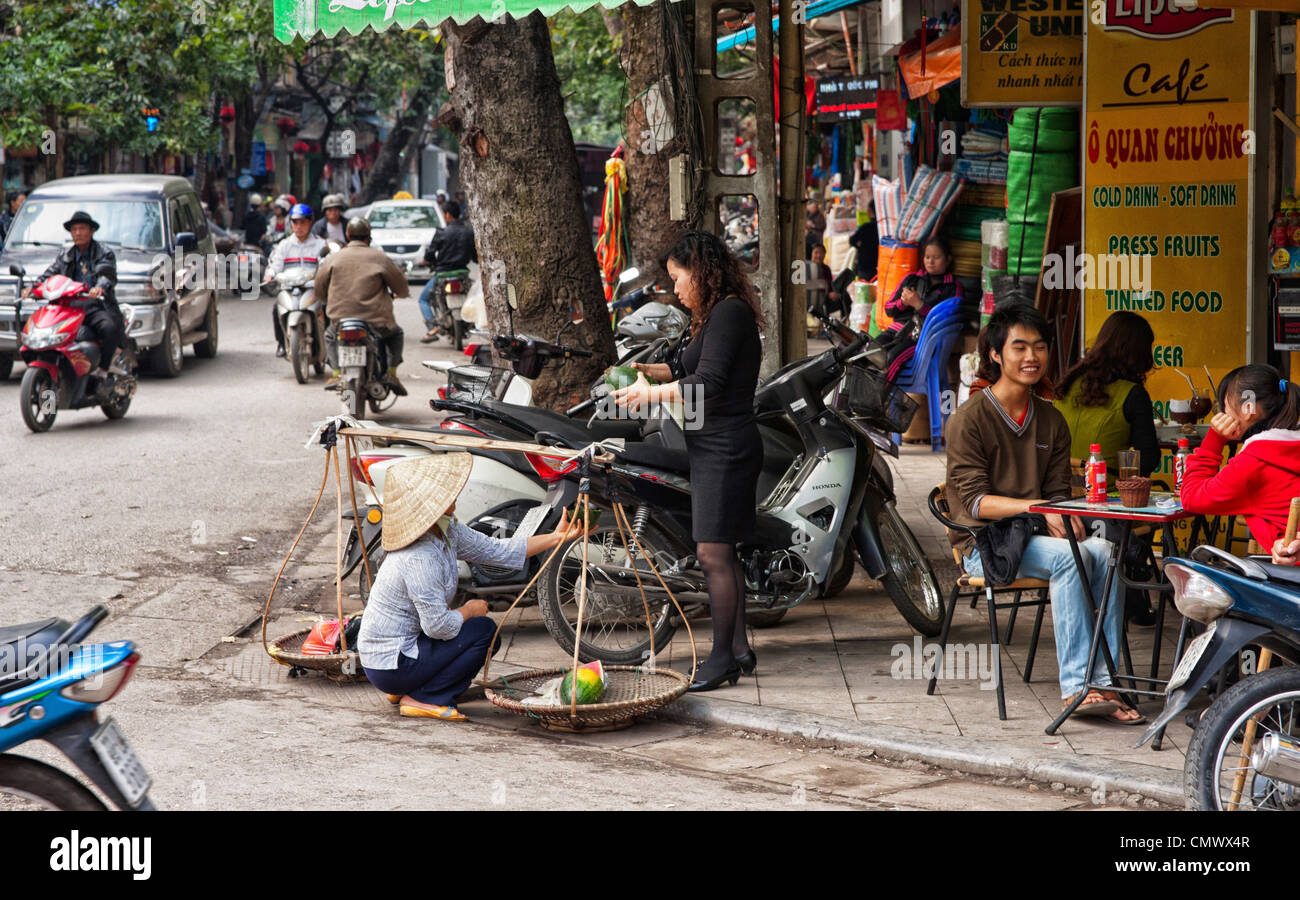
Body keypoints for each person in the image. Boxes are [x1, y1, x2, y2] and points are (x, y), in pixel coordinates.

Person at [945, 305, 1143, 725]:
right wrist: (1040, 509)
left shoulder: (1051, 419)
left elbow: (1058, 494)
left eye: (1039, 346)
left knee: (1103, 552)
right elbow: (977, 503)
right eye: (1019, 346)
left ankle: (1105, 682)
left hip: (1035, 533)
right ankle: (1077, 687)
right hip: (984, 543)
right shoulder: (970, 419)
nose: (1031, 356)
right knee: (1072, 558)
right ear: (996, 355)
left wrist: (1066, 514)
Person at [611, 231, 764, 693]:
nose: (676, 289)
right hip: (714, 444)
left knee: (712, 553)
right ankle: (737, 649)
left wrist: (651, 394)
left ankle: (719, 660)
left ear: (702, 272)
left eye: (680, 278)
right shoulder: (715, 315)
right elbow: (687, 371)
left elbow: (710, 383)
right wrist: (648, 373)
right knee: (724, 552)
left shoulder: (730, 313)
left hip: (727, 447)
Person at [359, 453, 585, 720]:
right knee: (484, 632)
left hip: (402, 654)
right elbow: (437, 627)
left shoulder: (446, 529)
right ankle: (425, 697)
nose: (455, 495)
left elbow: (496, 550)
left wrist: (555, 539)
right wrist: (468, 610)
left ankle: (418, 686)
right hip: (391, 664)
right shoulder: (419, 557)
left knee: (478, 632)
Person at [1180, 364, 1300, 564]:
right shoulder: (1287, 446)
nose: (1223, 415)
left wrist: (1215, 440)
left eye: (1225, 407)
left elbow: (1191, 496)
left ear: (1248, 409)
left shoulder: (1255, 463)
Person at [1054, 311, 1160, 478]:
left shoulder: (1069, 381)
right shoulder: (1133, 394)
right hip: (1106, 492)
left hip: (1059, 488)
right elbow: (1147, 460)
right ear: (1140, 352)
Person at [315, 216, 409, 395]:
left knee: (329, 336)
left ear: (348, 235)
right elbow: (400, 286)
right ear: (368, 237)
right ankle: (391, 373)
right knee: (396, 333)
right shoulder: (380, 258)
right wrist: (400, 293)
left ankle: (335, 373)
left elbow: (319, 287)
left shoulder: (334, 258)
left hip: (340, 320)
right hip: (375, 322)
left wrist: (324, 298)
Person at [29, 211, 125, 378]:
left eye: (82, 228)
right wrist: (33, 288)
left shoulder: (104, 252)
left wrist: (99, 287)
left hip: (96, 306)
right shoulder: (65, 255)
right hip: (69, 308)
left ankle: (103, 369)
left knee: (109, 328)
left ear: (91, 231)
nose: (78, 233)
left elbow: (107, 274)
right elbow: (50, 274)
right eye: (74, 229)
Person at [873, 236, 962, 382]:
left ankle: (876, 400)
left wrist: (919, 305)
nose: (930, 262)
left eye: (936, 257)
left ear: (948, 259)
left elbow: (948, 320)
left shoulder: (952, 287)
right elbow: (889, 309)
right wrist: (903, 303)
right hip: (895, 332)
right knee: (870, 353)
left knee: (890, 359)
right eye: (927, 257)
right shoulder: (911, 279)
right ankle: (862, 396)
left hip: (921, 339)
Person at [263, 204, 329, 358]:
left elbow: (326, 263)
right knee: (276, 309)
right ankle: (281, 343)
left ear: (310, 222)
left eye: (303, 222)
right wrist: (270, 274)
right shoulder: (284, 245)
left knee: (327, 310)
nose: (299, 227)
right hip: (289, 288)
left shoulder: (320, 244)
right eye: (295, 222)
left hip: (313, 289)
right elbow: (275, 264)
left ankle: (328, 345)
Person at [418, 199, 477, 343]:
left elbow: (430, 255)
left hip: (442, 274)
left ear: (448, 215)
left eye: (444, 214)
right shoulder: (469, 232)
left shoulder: (441, 233)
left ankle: (432, 328)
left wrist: (425, 262)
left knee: (423, 299)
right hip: (462, 274)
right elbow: (475, 257)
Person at [847, 200, 879, 283]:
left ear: (871, 211)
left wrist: (859, 246)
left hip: (865, 267)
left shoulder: (865, 227)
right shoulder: (882, 228)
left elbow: (852, 240)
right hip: (878, 266)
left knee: (864, 291)